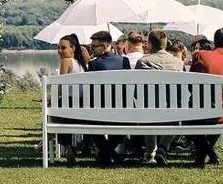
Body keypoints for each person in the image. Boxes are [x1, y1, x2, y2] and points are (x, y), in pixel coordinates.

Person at [189, 27, 223, 167]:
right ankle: (205, 154)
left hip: (195, 113)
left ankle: (202, 156)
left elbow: (190, 83)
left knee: (192, 115)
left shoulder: (200, 56)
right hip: (219, 114)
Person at [134, 29, 184, 165]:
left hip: (148, 112)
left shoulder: (143, 62)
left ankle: (150, 152)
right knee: (176, 110)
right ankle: (162, 148)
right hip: (172, 113)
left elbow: (136, 92)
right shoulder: (178, 63)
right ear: (166, 43)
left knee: (148, 108)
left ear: (149, 44)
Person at [86, 30, 131, 164]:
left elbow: (90, 92)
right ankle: (110, 153)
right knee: (125, 125)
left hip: (99, 114)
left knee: (89, 121)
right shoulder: (124, 61)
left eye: (94, 46)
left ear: (106, 45)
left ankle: (105, 153)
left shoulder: (94, 64)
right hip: (123, 112)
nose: (91, 48)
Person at [54, 33, 89, 163]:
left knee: (56, 109)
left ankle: (68, 147)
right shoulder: (82, 64)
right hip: (84, 107)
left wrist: (52, 100)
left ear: (72, 48)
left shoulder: (66, 61)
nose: (59, 51)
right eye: (58, 48)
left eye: (63, 48)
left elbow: (60, 87)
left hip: (70, 107)